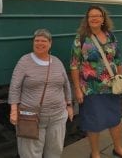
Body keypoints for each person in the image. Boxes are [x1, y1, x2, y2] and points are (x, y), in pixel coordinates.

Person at [70, 6, 122, 158]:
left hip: (111, 87)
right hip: (91, 88)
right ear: (87, 19)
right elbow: (74, 65)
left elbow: (118, 60)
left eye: (98, 16)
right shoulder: (81, 38)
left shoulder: (110, 36)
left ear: (103, 19)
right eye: (91, 16)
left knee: (115, 119)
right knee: (93, 122)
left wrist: (119, 78)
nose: (95, 18)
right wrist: (77, 89)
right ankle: (95, 153)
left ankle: (118, 148)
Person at [8, 29, 73, 158]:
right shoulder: (24, 61)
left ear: (50, 43)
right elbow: (15, 87)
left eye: (43, 41)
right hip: (31, 117)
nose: (39, 43)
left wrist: (69, 105)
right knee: (30, 154)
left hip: (57, 117)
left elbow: (66, 84)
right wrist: (14, 111)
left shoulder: (57, 62)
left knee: (55, 151)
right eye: (37, 40)